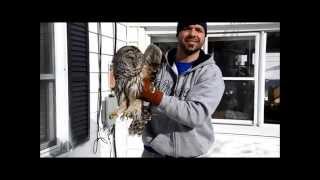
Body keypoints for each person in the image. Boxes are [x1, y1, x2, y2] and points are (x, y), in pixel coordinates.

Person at [139, 21, 225, 158]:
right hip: (153, 153)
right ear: (178, 33)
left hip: (191, 155)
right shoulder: (158, 67)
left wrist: (155, 96)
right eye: (187, 28)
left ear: (204, 36)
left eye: (198, 30)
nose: (193, 34)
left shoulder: (210, 73)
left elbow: (196, 115)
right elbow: (142, 103)